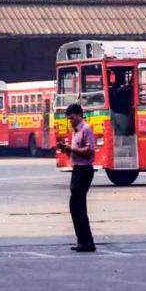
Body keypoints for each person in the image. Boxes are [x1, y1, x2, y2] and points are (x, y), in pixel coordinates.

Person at [59, 103, 96, 252]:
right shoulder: (75, 131)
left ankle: (86, 241)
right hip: (77, 170)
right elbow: (74, 152)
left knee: (77, 205)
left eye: (73, 118)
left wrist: (72, 149)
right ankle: (84, 240)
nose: (71, 121)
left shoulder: (86, 129)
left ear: (79, 115)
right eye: (69, 119)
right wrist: (66, 150)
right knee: (77, 206)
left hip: (84, 170)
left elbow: (90, 151)